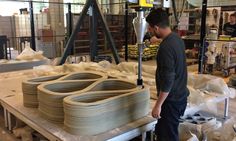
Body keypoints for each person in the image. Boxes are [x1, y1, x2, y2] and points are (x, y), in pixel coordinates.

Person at [146, 8, 189, 141]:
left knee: (168, 137)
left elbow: (168, 80)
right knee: (164, 131)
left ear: (157, 28)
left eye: (150, 28)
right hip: (181, 96)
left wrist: (158, 105)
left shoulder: (165, 49)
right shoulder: (176, 38)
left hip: (171, 101)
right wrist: (159, 41)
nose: (149, 31)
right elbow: (170, 47)